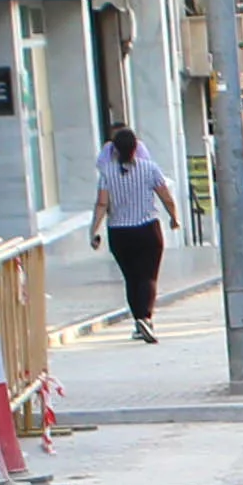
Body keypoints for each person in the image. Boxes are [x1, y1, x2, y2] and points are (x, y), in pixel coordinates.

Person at [91, 121, 180, 343]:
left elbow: (102, 204)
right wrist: (174, 217)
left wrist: (94, 230)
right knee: (148, 276)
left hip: (119, 232)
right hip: (148, 228)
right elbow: (165, 195)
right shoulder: (149, 168)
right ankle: (146, 318)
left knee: (131, 278)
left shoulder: (107, 173)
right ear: (136, 148)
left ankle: (138, 320)